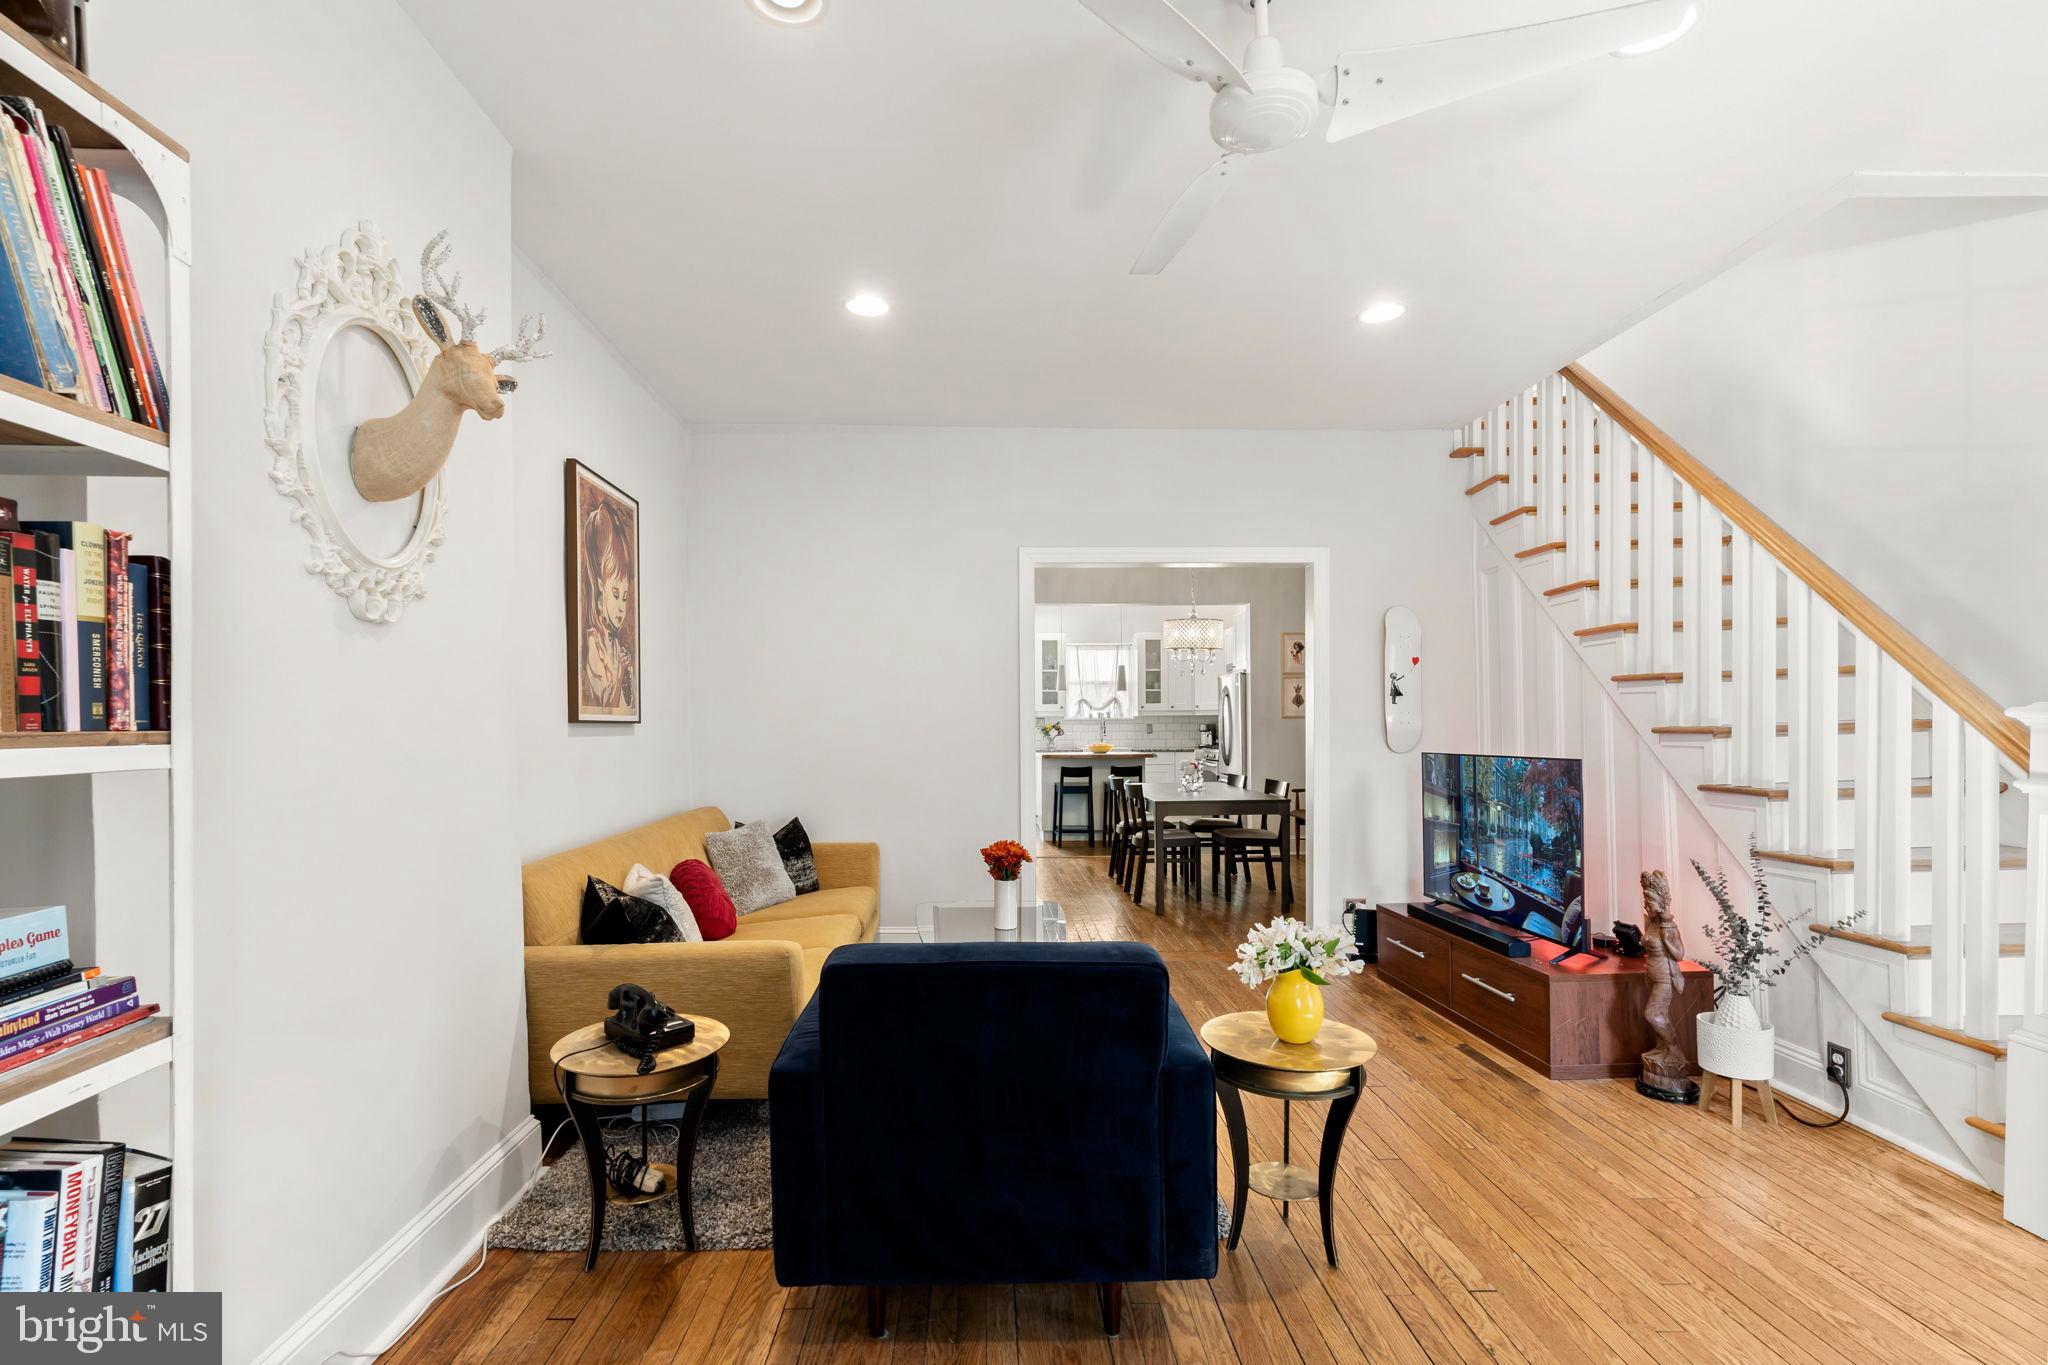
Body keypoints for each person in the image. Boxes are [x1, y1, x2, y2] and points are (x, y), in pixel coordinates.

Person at [580, 496, 637, 713]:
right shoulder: (594, 643)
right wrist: (622, 673)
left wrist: (628, 673)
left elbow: (626, 708)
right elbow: (606, 709)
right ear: (600, 585)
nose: (622, 608)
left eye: (625, 597)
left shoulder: (616, 647)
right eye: (615, 594)